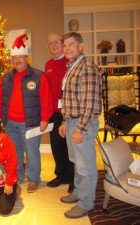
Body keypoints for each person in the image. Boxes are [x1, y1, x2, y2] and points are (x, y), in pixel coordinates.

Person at [0, 35, 53, 193]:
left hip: (31, 123)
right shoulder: (6, 78)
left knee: (32, 153)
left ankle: (34, 179)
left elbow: (46, 98)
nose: (17, 60)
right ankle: (18, 177)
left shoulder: (38, 75)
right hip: (10, 123)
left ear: (27, 58)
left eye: (21, 57)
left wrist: (45, 118)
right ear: (12, 60)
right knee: (14, 153)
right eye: (15, 58)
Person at [58, 32, 102, 219]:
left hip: (81, 123)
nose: (67, 48)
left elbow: (90, 103)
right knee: (77, 162)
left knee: (86, 166)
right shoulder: (72, 67)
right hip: (71, 121)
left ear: (81, 46)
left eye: (71, 44)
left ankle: (86, 203)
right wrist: (64, 121)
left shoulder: (87, 67)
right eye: (65, 45)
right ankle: (78, 192)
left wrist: (81, 128)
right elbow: (69, 99)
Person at [45, 33, 74, 193]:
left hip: (68, 112)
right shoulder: (48, 64)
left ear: (63, 43)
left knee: (70, 146)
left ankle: (72, 178)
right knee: (57, 146)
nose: (53, 45)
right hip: (54, 113)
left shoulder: (70, 61)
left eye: (56, 41)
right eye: (50, 43)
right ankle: (61, 175)